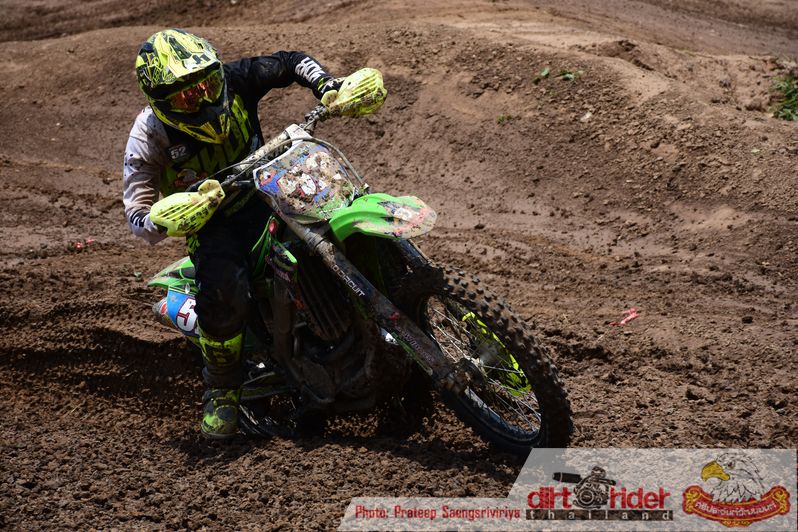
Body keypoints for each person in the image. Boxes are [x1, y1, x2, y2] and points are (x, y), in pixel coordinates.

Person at [122, 28, 342, 439]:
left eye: (208, 85)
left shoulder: (237, 77)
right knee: (226, 290)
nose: (204, 99)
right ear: (161, 102)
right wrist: (165, 217)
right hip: (215, 224)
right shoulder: (149, 134)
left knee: (338, 208)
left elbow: (290, 60)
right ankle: (222, 390)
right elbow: (136, 211)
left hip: (273, 187)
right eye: (188, 97)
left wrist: (328, 85)